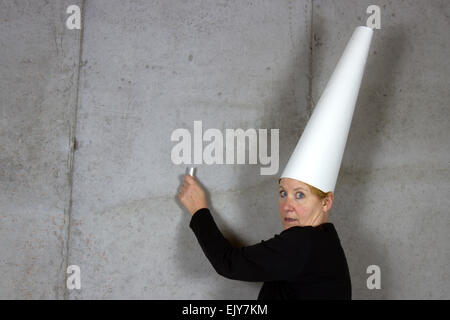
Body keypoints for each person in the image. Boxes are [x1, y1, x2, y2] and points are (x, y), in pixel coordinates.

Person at [177, 174, 351, 300]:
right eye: (283, 193)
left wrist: (199, 210)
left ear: (326, 202)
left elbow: (228, 263)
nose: (287, 206)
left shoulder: (302, 242)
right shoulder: (327, 240)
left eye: (300, 195)